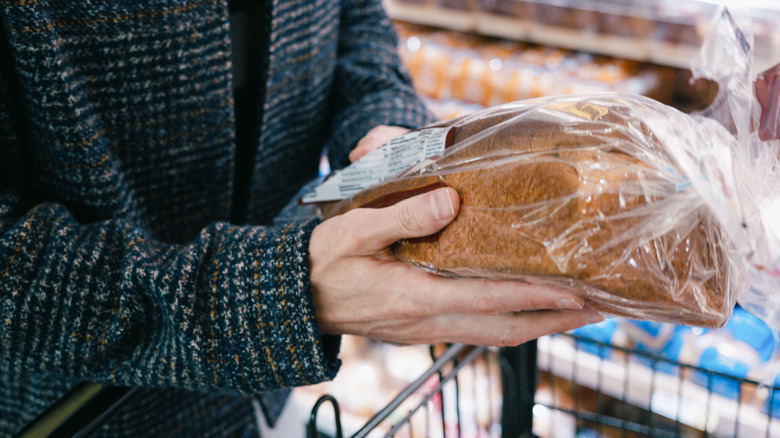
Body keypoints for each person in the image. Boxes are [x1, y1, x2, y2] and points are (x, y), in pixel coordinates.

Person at [0, 0, 601, 436]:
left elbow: (356, 23)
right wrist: (280, 296)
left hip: (273, 398)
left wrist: (385, 133)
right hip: (80, 409)